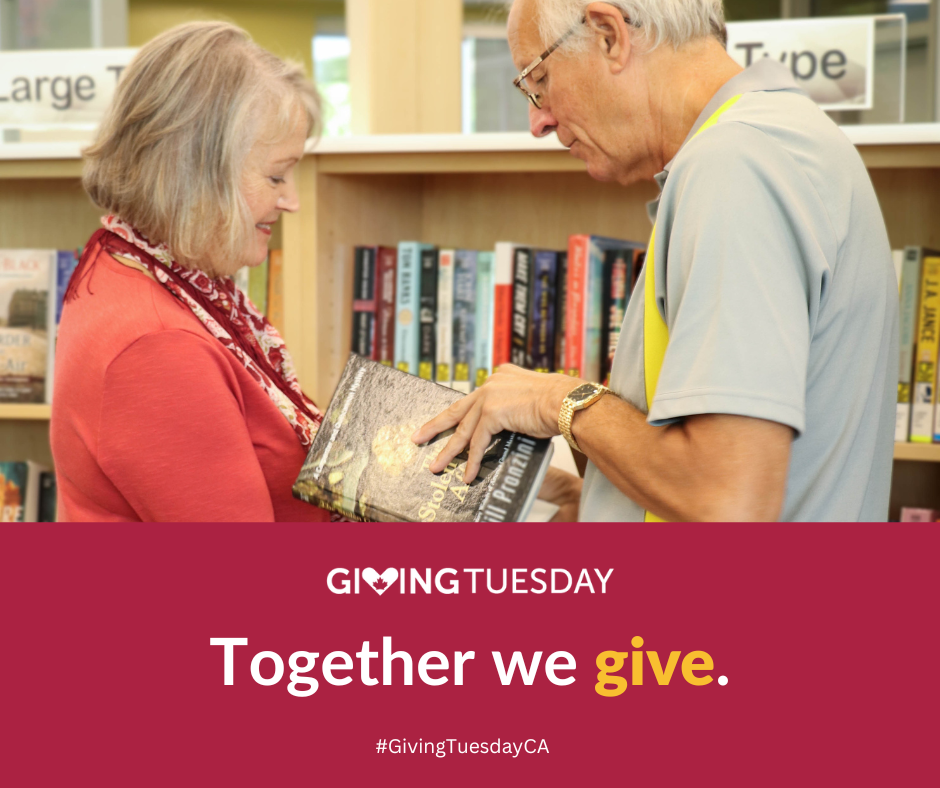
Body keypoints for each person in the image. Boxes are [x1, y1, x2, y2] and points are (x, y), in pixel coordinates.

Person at [413, 0, 899, 522]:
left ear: (608, 35)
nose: (539, 120)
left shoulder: (735, 166)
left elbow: (727, 501)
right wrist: (603, 497)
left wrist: (557, 400)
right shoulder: (782, 140)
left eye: (538, 80)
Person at [51, 22, 330, 522]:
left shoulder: (139, 265)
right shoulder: (157, 346)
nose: (291, 201)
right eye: (275, 176)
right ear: (196, 173)